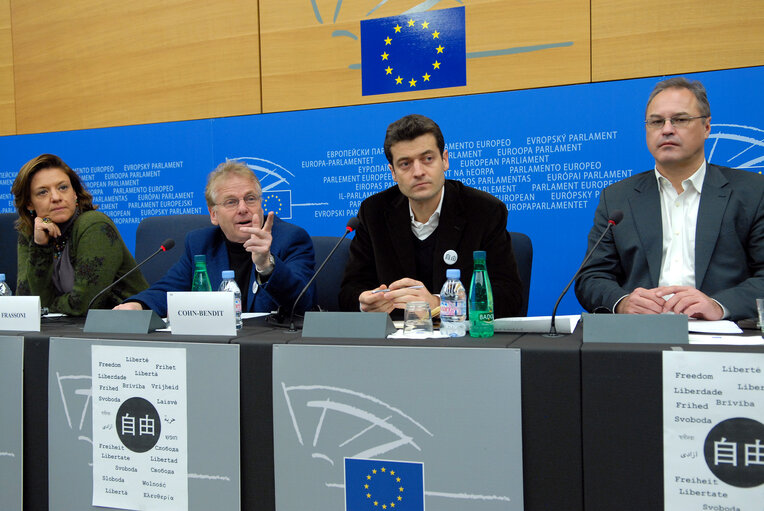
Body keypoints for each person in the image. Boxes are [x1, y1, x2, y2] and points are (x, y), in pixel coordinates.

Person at [575, 77, 764, 321]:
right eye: (656, 122)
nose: (666, 129)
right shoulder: (617, 198)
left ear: (707, 127)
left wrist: (718, 305)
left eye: (680, 119)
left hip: (723, 336)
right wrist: (622, 303)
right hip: (641, 335)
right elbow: (591, 277)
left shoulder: (752, 192)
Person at [339, 114, 524, 318]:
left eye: (427, 159)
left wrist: (439, 304)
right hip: (395, 343)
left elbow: (509, 297)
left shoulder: (484, 211)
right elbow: (349, 292)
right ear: (393, 172)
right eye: (405, 164)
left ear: (444, 160)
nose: (418, 172)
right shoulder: (373, 212)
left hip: (462, 343)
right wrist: (365, 303)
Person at [115, 161, 315, 316]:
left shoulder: (290, 239)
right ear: (213, 215)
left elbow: (303, 302)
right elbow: (169, 290)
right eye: (231, 202)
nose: (243, 208)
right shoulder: (201, 244)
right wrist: (137, 305)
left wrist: (267, 266)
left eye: (250, 198)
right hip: (217, 345)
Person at [12, 154, 148, 315]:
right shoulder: (32, 233)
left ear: (75, 193)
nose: (56, 198)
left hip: (124, 328)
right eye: (43, 192)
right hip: (65, 329)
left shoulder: (94, 225)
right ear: (29, 203)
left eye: (63, 187)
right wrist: (40, 246)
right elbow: (25, 303)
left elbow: (84, 305)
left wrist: (46, 305)